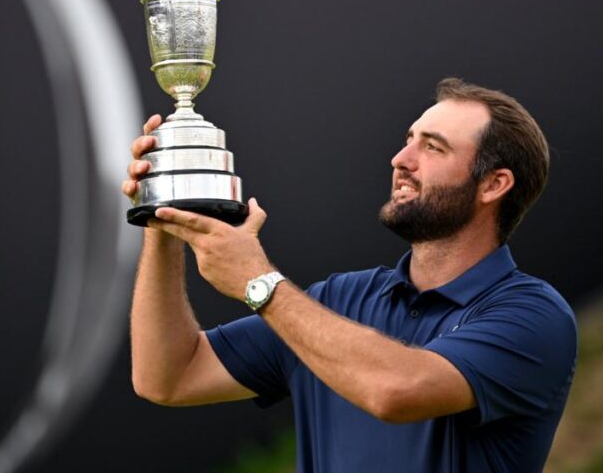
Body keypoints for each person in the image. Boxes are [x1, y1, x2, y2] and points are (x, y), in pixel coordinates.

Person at [123, 78, 577, 472]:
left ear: (493, 185)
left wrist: (259, 283)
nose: (401, 158)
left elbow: (396, 391)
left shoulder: (533, 317)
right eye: (409, 139)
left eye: (433, 147)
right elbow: (168, 376)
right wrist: (161, 218)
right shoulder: (339, 299)